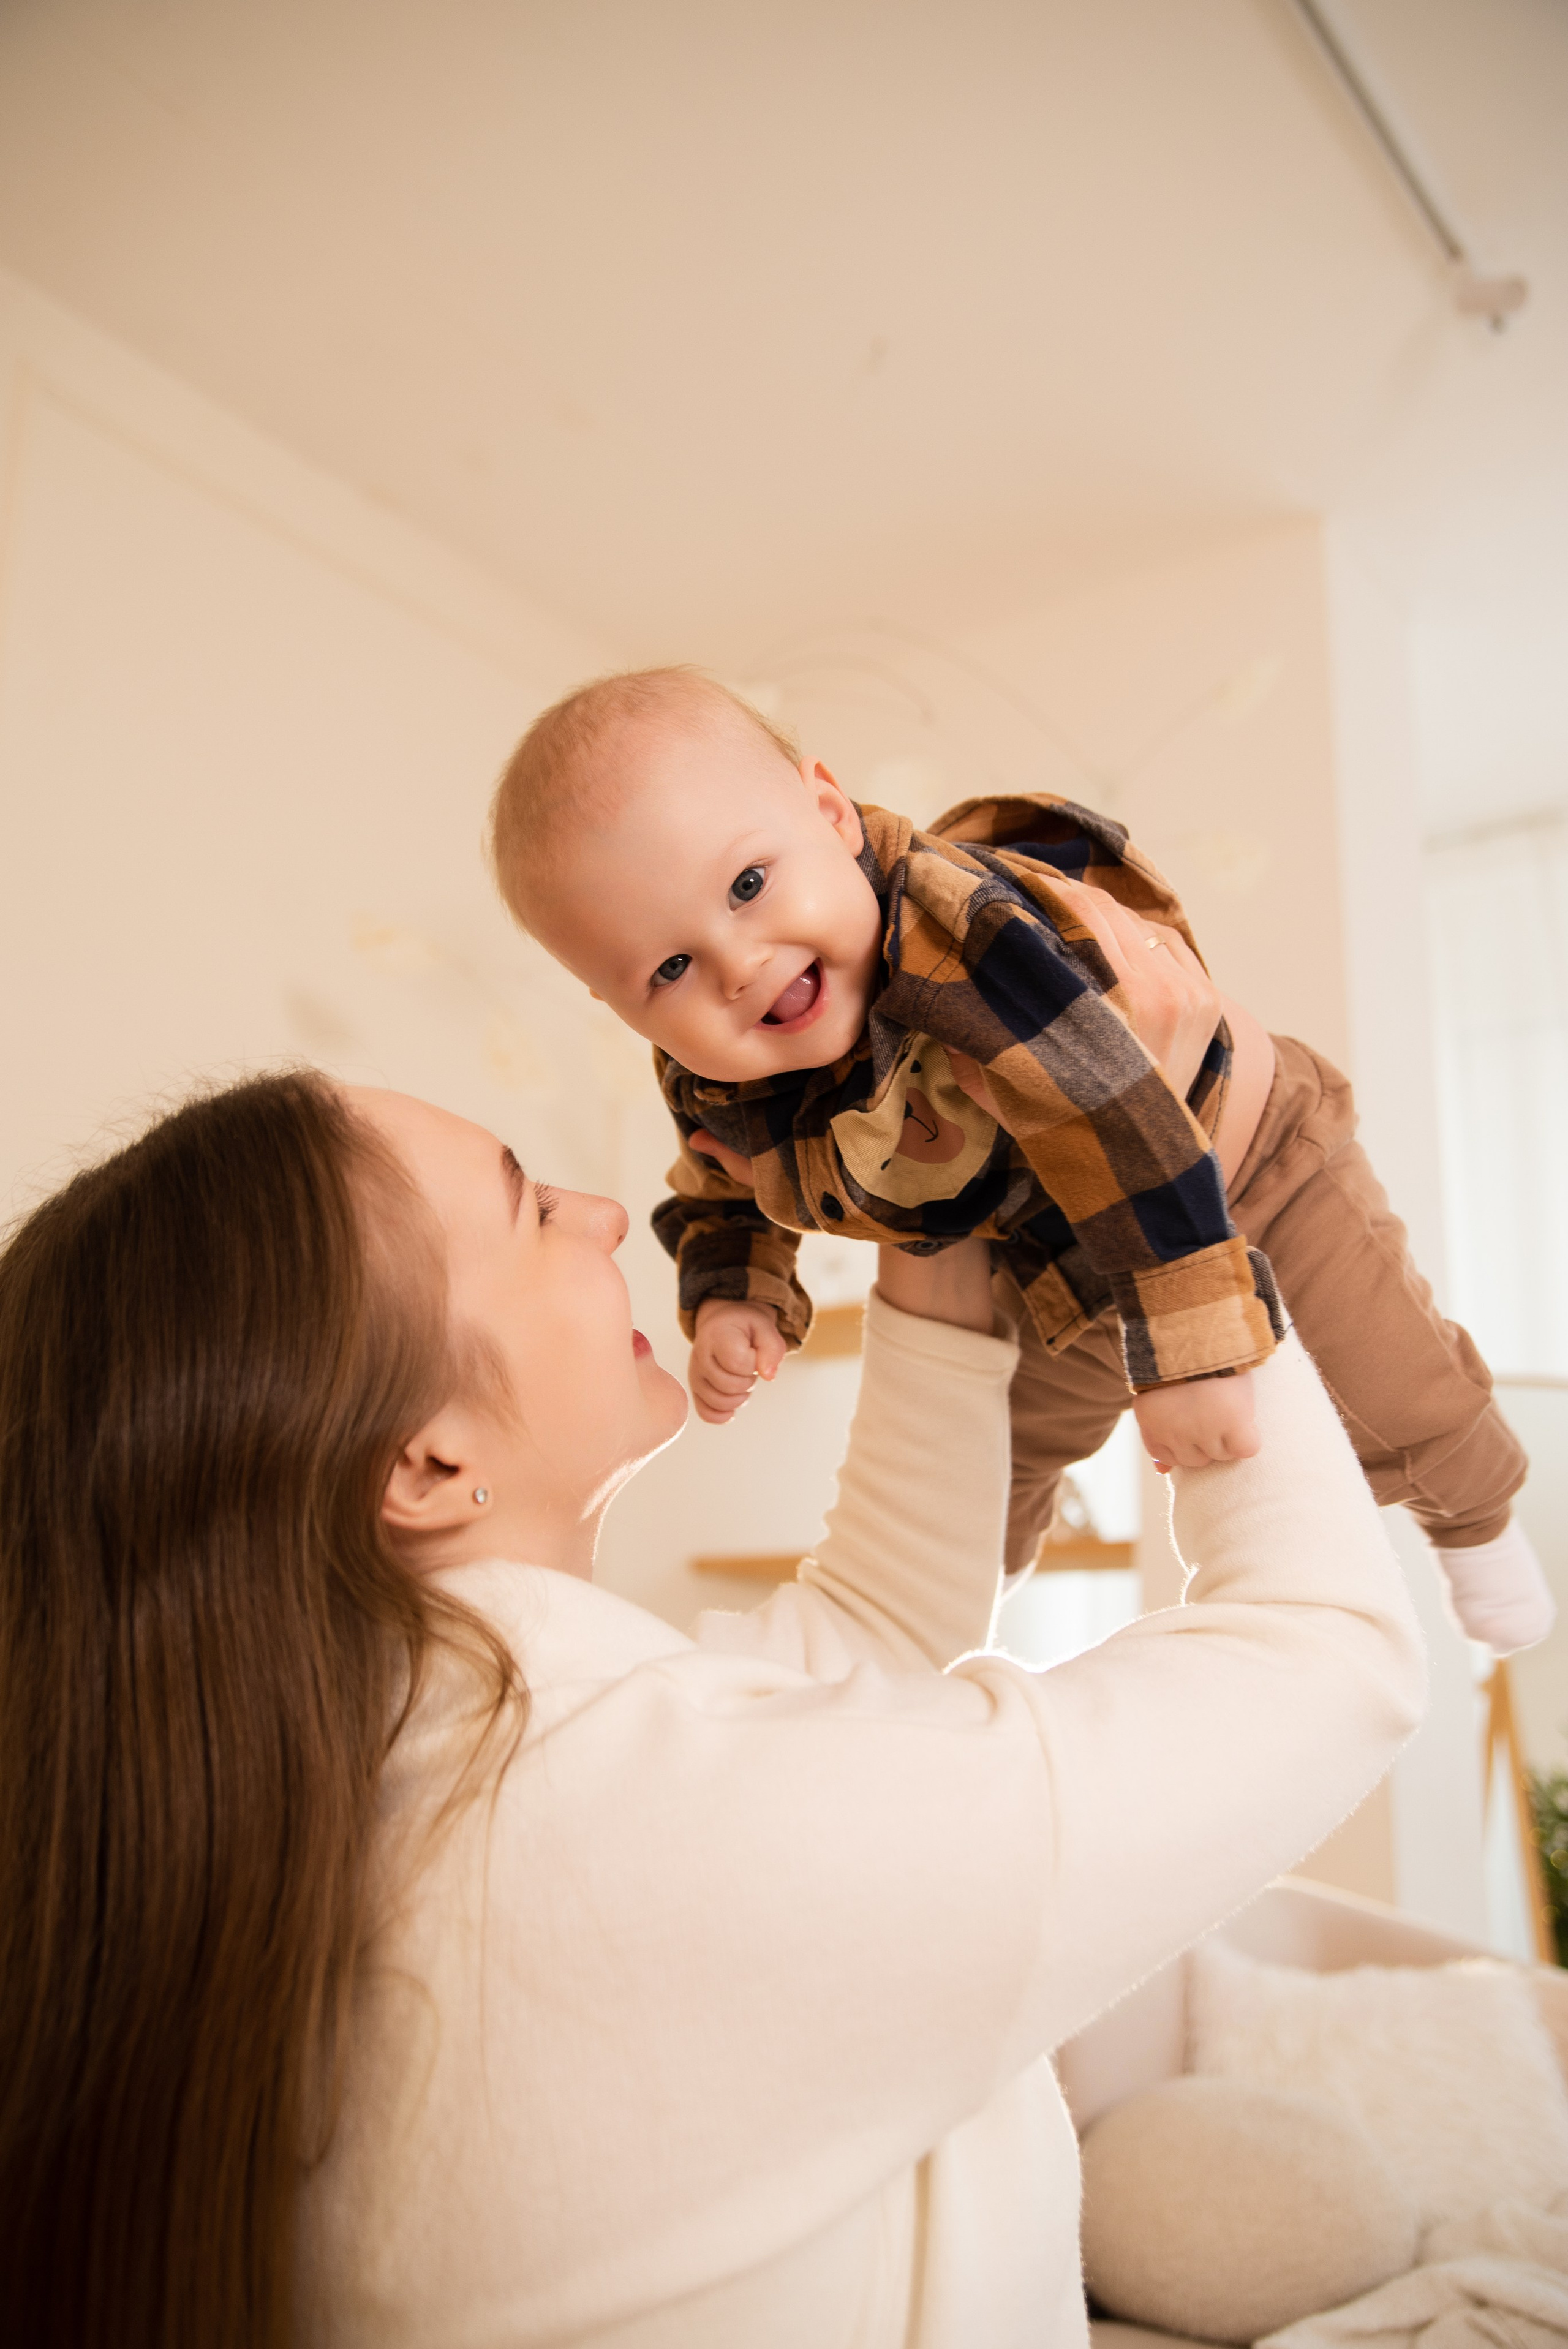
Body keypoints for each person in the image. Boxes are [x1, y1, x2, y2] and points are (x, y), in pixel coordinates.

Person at [1, 919, 1423, 2349]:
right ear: (422, 1461)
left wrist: (923, 1238)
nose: (608, 1216)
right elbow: (1326, 1649)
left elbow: (863, 1637)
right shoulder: (641, 1837)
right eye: (528, 1209)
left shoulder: (360, 1792)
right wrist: (1166, 1177)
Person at [488, 665, 1551, 1653]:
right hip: (1051, 1260)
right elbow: (722, 1179)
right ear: (617, 1003)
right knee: (990, 1463)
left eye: (750, 883)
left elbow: (1114, 1109)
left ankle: (1481, 1523)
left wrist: (1185, 1354)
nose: (739, 964)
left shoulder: (967, 929)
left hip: (1243, 1165)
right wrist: (738, 1296)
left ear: (828, 812)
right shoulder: (718, 1072)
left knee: (1396, 1394)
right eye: (669, 967)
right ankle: (941, 1624)